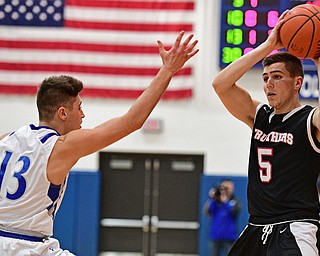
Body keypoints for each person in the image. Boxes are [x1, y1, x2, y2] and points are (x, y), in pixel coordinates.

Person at [0, 31, 198, 255]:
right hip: (25, 246)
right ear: (63, 113)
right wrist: (168, 70)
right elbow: (131, 121)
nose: (83, 115)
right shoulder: (61, 145)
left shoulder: (8, 139)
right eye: (80, 107)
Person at [212, 9, 320, 256]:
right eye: (265, 77)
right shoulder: (259, 116)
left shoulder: (309, 119)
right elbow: (220, 84)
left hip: (295, 226)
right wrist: (268, 45)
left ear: (297, 82)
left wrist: (318, 60)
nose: (268, 83)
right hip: (255, 227)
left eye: (277, 76)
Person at [204, 179, 241, 256]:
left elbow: (234, 212)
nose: (226, 190)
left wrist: (225, 201)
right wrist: (213, 198)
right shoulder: (215, 201)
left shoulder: (235, 201)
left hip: (229, 236)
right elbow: (208, 212)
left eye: (228, 188)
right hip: (216, 235)